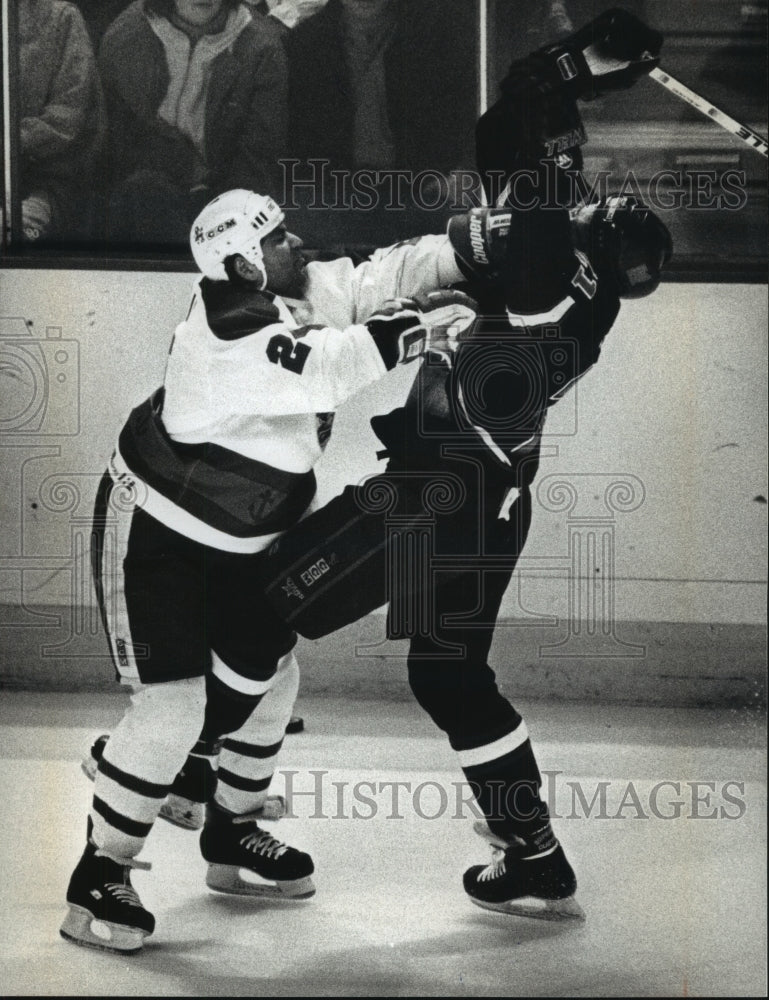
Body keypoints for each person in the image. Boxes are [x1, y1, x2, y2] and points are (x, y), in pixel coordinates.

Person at [250, 7, 670, 920]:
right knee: (448, 676)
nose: (590, 203)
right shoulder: (575, 300)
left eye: (602, 214)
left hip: (428, 500)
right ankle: (535, 854)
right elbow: (534, 183)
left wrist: (559, 70)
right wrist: (566, 90)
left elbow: (513, 153)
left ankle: (199, 783)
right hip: (491, 505)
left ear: (595, 247)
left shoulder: (550, 279)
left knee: (261, 604)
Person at [60, 186, 476, 952]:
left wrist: (467, 249)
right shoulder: (223, 334)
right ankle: (100, 872)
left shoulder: (284, 289)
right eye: (279, 237)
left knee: (273, 675)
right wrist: (423, 326)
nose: (300, 243)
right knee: (173, 708)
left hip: (240, 538)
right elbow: (329, 368)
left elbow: (368, 281)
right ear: (244, 261)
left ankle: (231, 831)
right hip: (156, 538)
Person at [97, 0, 289, 245]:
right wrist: (183, 164)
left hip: (223, 194)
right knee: (143, 192)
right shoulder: (127, 35)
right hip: (145, 190)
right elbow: (116, 140)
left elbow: (258, 158)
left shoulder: (261, 47)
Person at [13, 0, 106, 244]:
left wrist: (14, 140)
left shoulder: (61, 18)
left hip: (44, 182)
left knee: (15, 236)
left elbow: (69, 117)